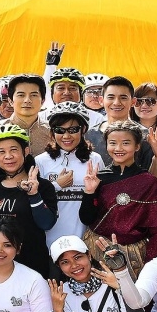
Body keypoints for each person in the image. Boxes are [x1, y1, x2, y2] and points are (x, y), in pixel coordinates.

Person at [0, 123, 58, 277]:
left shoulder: (43, 186)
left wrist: (34, 195)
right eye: (1, 152)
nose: (8, 156)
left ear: (26, 151)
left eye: (14, 150)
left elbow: (47, 223)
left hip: (31, 263)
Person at [79, 121, 157, 272]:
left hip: (133, 255)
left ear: (137, 146)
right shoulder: (98, 178)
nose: (118, 148)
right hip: (98, 250)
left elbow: (156, 228)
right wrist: (89, 192)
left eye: (126, 143)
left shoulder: (148, 182)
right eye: (113, 143)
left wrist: (151, 263)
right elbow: (86, 219)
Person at [36, 102, 105, 248]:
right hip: (50, 241)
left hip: (85, 241)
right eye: (60, 130)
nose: (66, 136)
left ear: (83, 129)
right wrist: (56, 186)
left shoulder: (95, 159)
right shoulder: (41, 161)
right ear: (52, 132)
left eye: (73, 129)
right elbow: (34, 198)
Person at [5, 74, 52, 157]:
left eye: (34, 95)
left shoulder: (53, 132)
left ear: (43, 101)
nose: (27, 100)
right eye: (21, 95)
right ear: (10, 101)